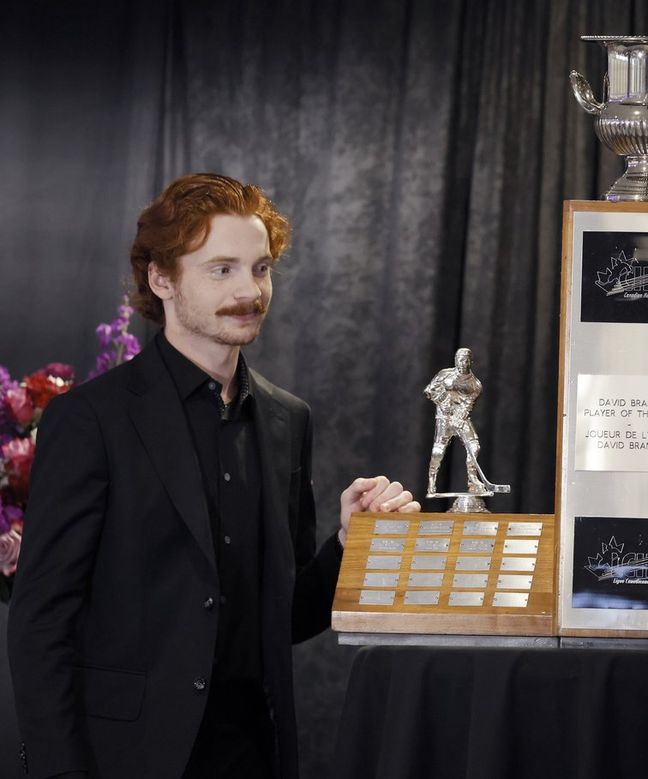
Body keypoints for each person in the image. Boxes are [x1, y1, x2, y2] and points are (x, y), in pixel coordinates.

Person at [7, 173, 421, 778]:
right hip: (122, 760)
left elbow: (285, 619)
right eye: (222, 270)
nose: (249, 291)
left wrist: (347, 543)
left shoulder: (288, 419)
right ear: (162, 279)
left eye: (261, 268)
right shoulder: (90, 419)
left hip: (251, 755)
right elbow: (41, 621)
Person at [424, 347, 485, 494]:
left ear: (471, 362)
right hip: (444, 419)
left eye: (466, 360)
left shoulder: (476, 385)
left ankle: (472, 479)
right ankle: (432, 480)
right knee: (438, 451)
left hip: (461, 419)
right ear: (455, 360)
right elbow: (429, 390)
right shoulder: (444, 374)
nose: (463, 363)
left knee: (474, 447)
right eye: (460, 360)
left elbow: (469, 405)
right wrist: (442, 401)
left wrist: (461, 416)